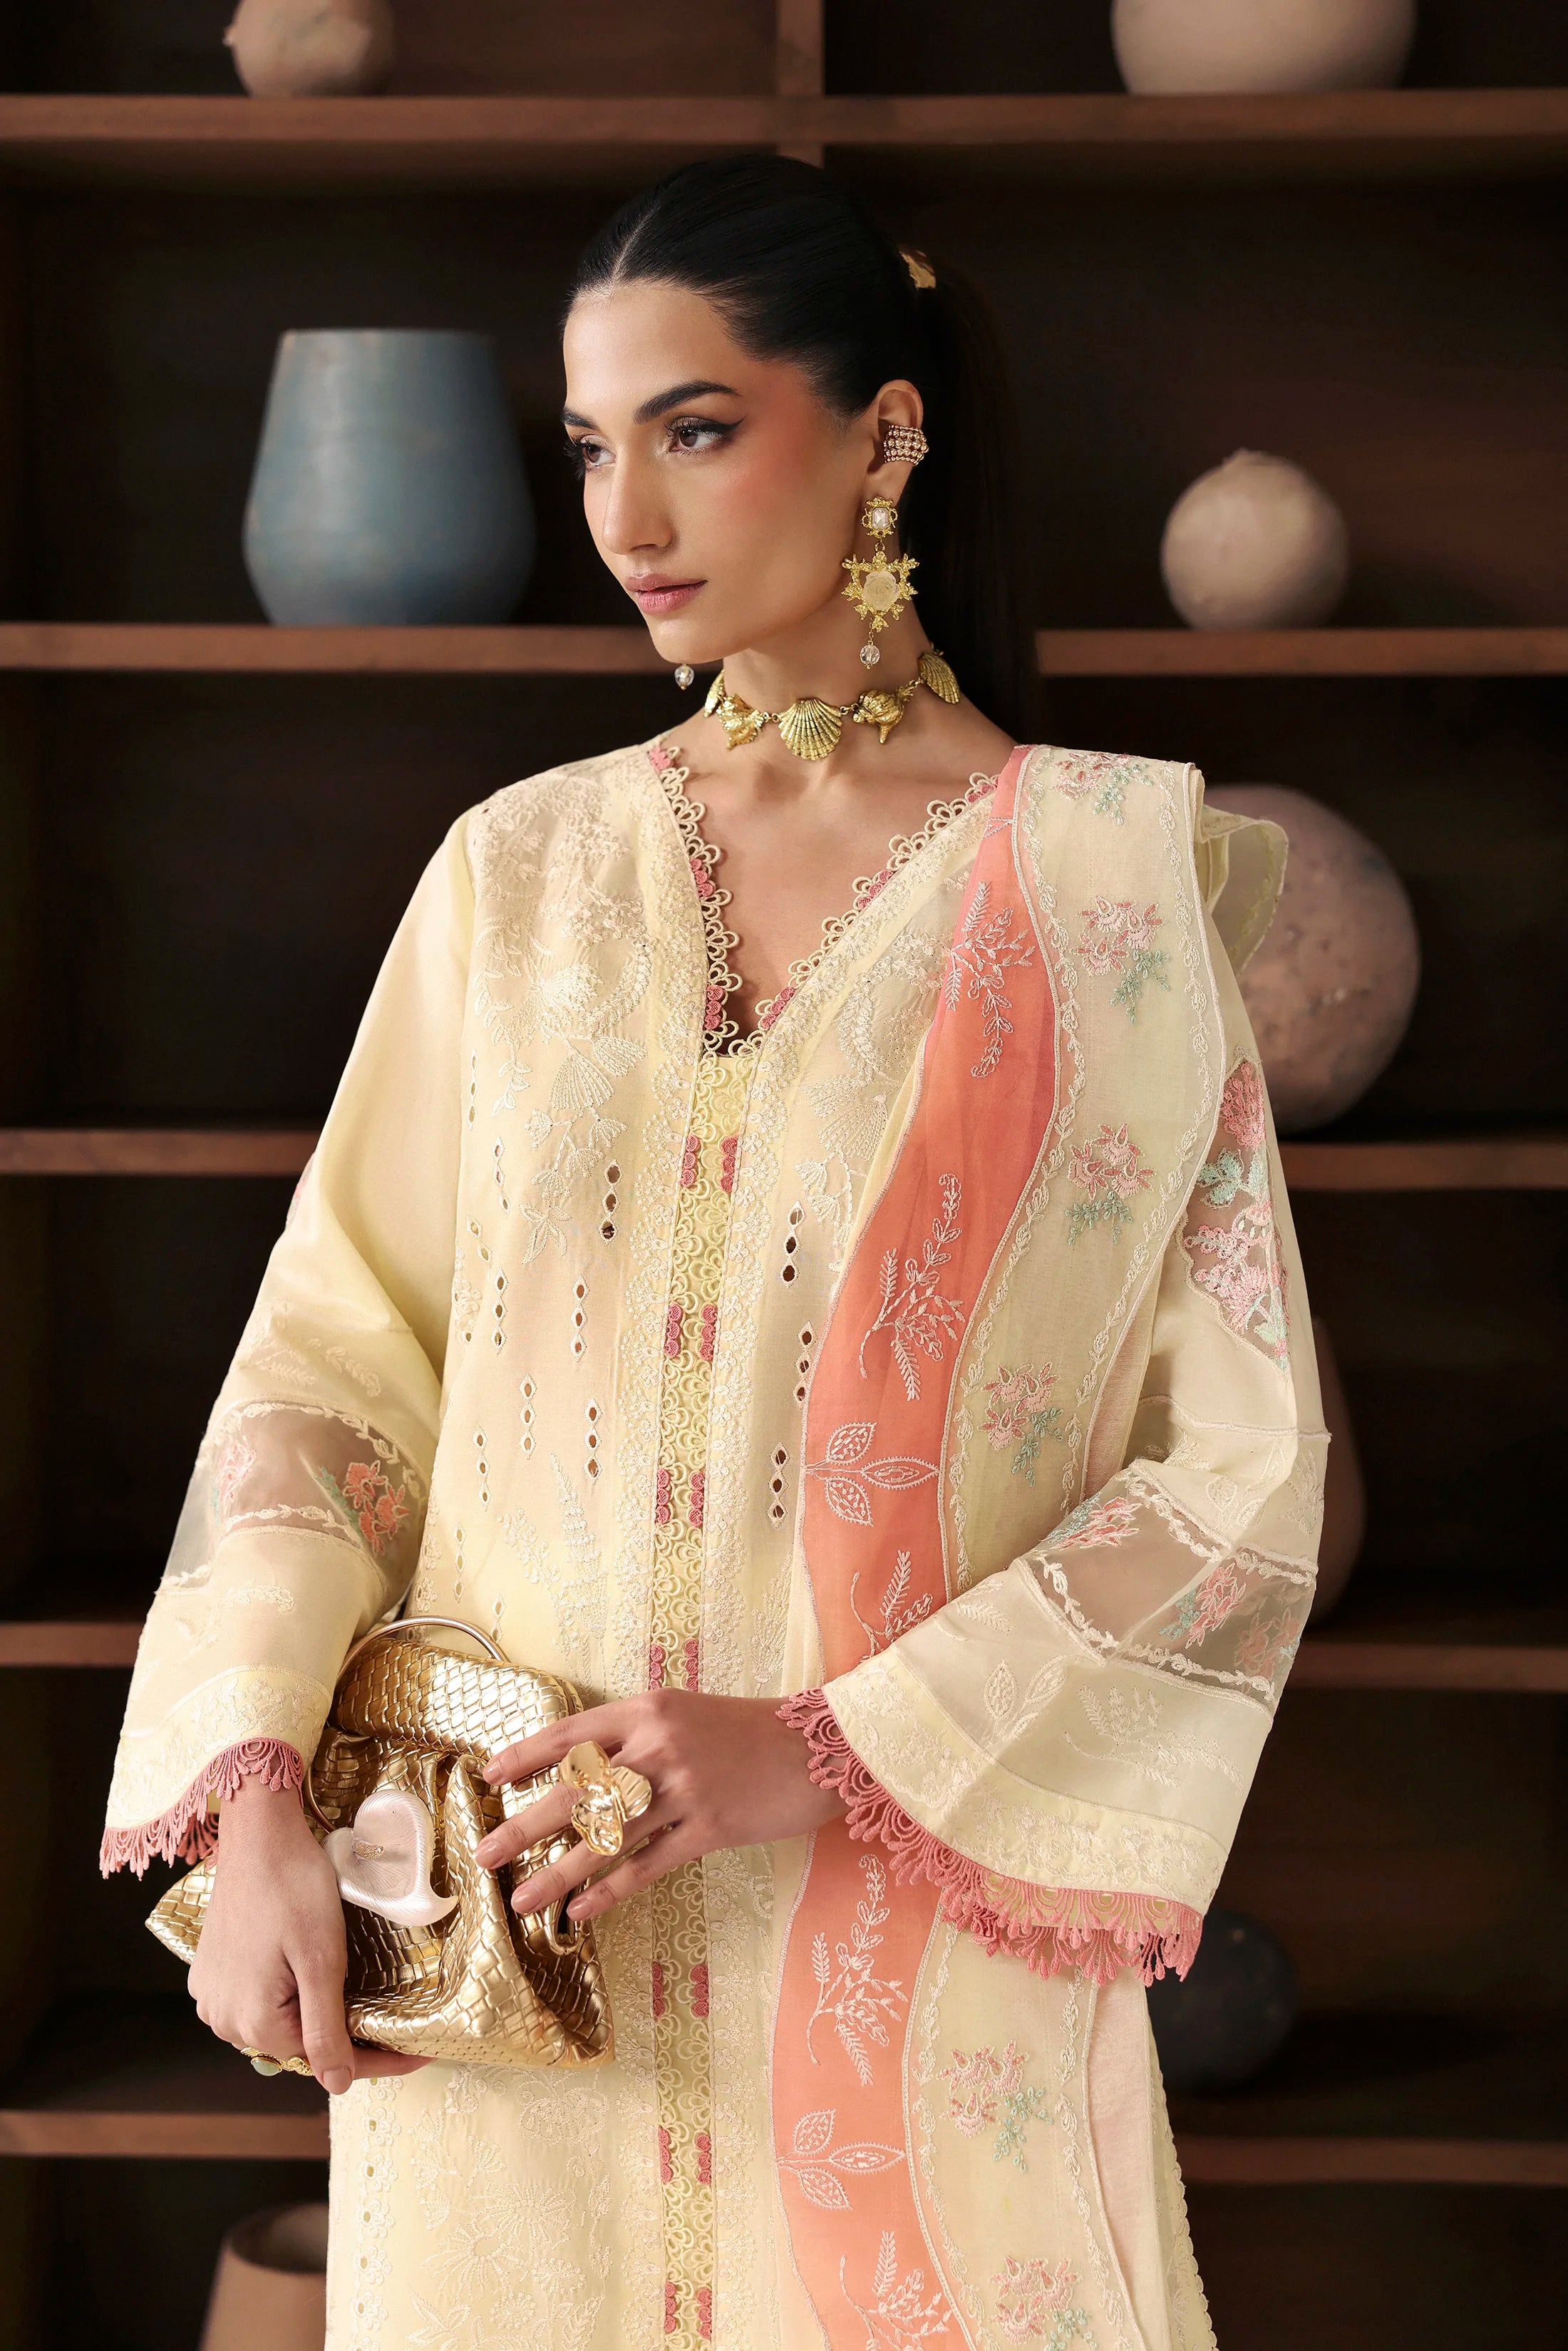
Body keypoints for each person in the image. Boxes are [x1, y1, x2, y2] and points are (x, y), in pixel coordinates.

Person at [102, 156, 1324, 2351]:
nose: (625, 514)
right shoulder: (517, 874)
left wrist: (827, 1746)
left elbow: (1233, 1479)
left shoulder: (1110, 895)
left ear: (883, 434)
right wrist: (259, 1777)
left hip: (915, 1982)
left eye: (694, 425)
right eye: (590, 443)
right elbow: (330, 1370)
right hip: (505, 1991)